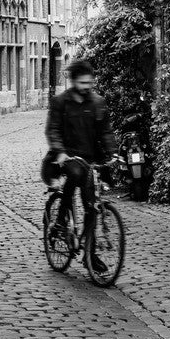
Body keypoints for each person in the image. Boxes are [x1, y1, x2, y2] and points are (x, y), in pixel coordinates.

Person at [45, 60, 118, 267]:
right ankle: (60, 221)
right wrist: (59, 152)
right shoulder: (61, 102)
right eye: (83, 83)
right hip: (68, 156)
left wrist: (113, 153)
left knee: (91, 207)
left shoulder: (97, 102)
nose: (87, 87)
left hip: (90, 158)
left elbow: (106, 132)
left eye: (90, 83)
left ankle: (89, 254)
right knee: (75, 175)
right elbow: (54, 130)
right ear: (74, 81)